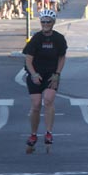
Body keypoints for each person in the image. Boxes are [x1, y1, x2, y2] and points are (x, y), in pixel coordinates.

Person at [23, 9, 67, 152]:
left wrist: (57, 74)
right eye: (43, 22)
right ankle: (33, 134)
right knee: (36, 104)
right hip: (35, 74)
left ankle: (48, 133)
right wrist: (34, 74)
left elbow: (61, 57)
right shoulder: (36, 38)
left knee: (48, 100)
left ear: (53, 23)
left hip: (51, 75)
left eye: (48, 22)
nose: (45, 24)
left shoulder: (59, 39)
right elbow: (28, 60)